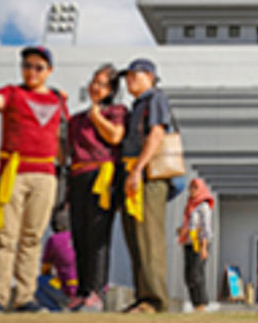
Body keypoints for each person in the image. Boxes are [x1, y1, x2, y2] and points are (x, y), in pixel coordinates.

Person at [0, 45, 68, 314]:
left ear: (49, 71)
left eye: (38, 67)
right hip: (14, 173)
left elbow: (60, 137)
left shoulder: (58, 99)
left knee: (32, 238)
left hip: (46, 175)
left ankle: (25, 298)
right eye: (27, 66)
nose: (32, 71)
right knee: (7, 237)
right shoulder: (12, 92)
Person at [68, 64, 127, 312]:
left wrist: (95, 113)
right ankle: (81, 291)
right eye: (94, 81)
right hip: (77, 176)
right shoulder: (76, 119)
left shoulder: (116, 111)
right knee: (79, 236)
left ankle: (96, 290)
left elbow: (115, 137)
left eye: (102, 83)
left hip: (101, 176)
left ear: (111, 89)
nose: (95, 87)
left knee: (98, 236)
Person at [119, 58, 172, 313]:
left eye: (134, 75)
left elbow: (157, 133)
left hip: (148, 175)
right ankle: (143, 297)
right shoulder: (136, 105)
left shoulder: (156, 98)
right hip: (134, 174)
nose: (129, 80)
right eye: (127, 76)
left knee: (149, 238)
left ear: (149, 76)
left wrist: (138, 169)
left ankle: (155, 299)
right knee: (135, 238)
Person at [178, 177, 215, 311]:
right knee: (187, 275)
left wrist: (204, 248)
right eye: (191, 187)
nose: (192, 190)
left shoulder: (203, 207)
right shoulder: (189, 205)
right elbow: (188, 225)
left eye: (195, 188)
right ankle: (195, 304)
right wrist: (181, 230)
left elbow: (206, 228)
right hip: (188, 242)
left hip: (199, 243)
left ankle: (201, 303)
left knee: (196, 274)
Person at [36, 208, 79, 311]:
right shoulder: (81, 236)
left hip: (66, 289)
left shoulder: (54, 240)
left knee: (37, 283)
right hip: (85, 291)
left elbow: (45, 268)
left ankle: (55, 311)